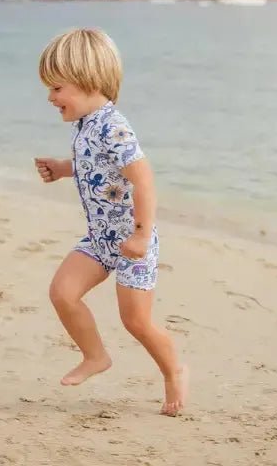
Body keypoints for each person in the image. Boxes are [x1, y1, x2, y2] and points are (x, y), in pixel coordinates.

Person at [34, 28, 188, 416]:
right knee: (62, 293)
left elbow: (143, 179)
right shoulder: (85, 125)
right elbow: (98, 167)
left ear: (89, 82)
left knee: (136, 321)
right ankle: (95, 356)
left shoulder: (113, 126)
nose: (50, 98)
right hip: (100, 240)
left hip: (132, 243)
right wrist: (64, 168)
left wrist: (141, 234)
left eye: (57, 88)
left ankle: (173, 371)